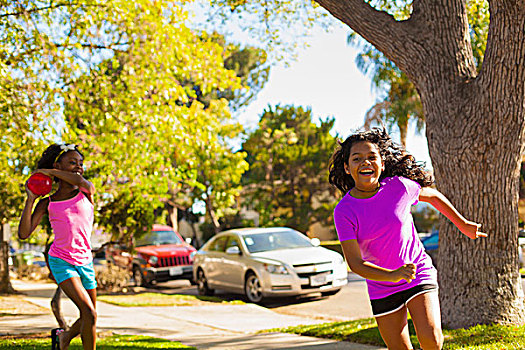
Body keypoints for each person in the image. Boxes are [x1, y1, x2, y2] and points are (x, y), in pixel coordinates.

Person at [328, 128, 487, 350]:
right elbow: (355, 263)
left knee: (431, 340)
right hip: (382, 285)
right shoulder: (344, 211)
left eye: (372, 157)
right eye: (357, 159)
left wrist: (462, 224)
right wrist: (392, 276)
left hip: (417, 273)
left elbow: (433, 196)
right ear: (347, 168)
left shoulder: (399, 187)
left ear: (382, 163)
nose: (366, 162)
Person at [18, 144, 97, 350]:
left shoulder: (86, 191)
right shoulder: (48, 202)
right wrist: (31, 199)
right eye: (72, 162)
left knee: (89, 316)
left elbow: (79, 180)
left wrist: (48, 172)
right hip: (61, 260)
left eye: (81, 163)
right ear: (58, 164)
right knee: (89, 312)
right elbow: (24, 233)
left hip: (85, 260)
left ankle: (65, 337)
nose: (78, 167)